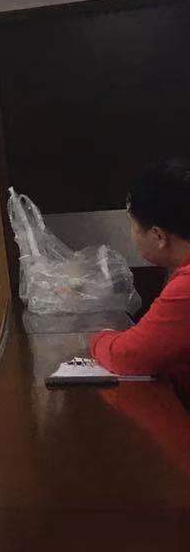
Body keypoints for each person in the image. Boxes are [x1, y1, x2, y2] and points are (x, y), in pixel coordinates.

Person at [91, 159, 190, 401]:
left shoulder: (186, 287)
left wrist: (96, 339)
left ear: (158, 236)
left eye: (133, 225)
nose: (132, 235)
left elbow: (128, 357)